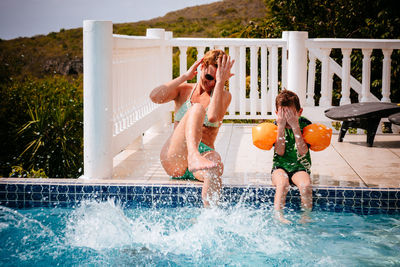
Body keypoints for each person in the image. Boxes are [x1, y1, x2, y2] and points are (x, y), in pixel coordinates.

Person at [150, 50, 234, 207]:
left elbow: (213, 117)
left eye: (216, 80)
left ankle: (209, 219)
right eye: (209, 77)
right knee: (196, 109)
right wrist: (184, 77)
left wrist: (220, 83)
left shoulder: (224, 95)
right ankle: (193, 155)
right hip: (177, 158)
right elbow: (155, 97)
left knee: (214, 169)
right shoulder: (184, 90)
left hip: (202, 158)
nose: (211, 84)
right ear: (202, 67)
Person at [271, 89, 313, 223]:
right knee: (282, 184)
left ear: (299, 112)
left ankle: (306, 216)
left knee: (305, 186)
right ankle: (279, 216)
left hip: (300, 167)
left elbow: (302, 152)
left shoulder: (305, 125)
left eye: (291, 114)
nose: (288, 119)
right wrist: (281, 127)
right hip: (280, 167)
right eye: (284, 114)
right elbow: (280, 152)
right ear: (277, 113)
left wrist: (295, 126)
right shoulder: (275, 126)